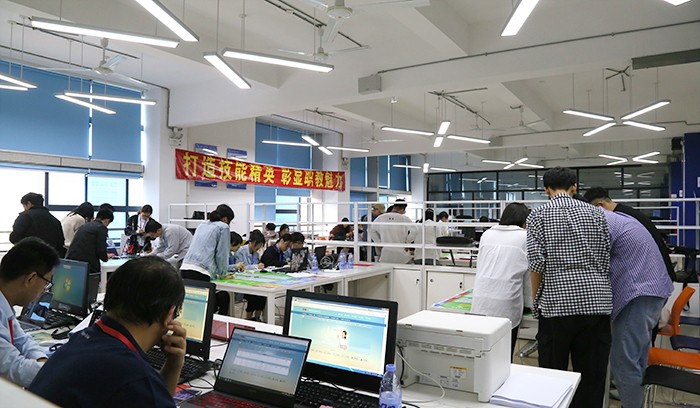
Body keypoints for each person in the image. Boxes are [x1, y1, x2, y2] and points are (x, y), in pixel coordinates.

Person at [28, 257, 186, 408]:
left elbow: (155, 399)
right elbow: (151, 397)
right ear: (168, 314)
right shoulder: (136, 377)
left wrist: (174, 365)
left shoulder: (81, 340)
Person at [526, 167, 611, 408]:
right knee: (592, 374)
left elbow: (536, 263)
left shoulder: (538, 215)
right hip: (597, 301)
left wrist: (536, 300)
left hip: (557, 303)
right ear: (574, 186)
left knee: (553, 374)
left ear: (546, 190)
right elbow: (606, 255)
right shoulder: (596, 214)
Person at [598, 207, 674, 408]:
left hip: (638, 294)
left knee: (623, 362)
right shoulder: (618, 219)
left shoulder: (602, 222)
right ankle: (635, 401)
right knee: (637, 358)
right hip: (651, 290)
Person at [471, 203, 530, 359]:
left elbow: (481, 265)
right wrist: (531, 304)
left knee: (482, 353)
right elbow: (528, 276)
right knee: (503, 357)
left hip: (481, 298)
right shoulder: (525, 237)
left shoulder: (487, 234)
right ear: (524, 220)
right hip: (506, 302)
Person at [0, 237, 59, 387]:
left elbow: (22, 340)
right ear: (31, 279)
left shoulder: (5, 304)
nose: (45, 289)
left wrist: (41, 360)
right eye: (47, 282)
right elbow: (13, 368)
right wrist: (56, 371)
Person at [584, 187, 676, 283]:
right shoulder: (628, 213)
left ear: (600, 205)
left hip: (653, 275)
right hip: (658, 271)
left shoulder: (619, 219)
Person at [180, 204, 233, 315]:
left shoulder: (202, 224)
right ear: (225, 219)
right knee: (204, 310)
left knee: (190, 307)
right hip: (201, 271)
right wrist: (223, 273)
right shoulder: (223, 227)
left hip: (185, 268)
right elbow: (222, 253)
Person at [65, 209, 114, 274]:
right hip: (87, 265)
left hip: (71, 261)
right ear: (107, 220)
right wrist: (105, 257)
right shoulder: (101, 228)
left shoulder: (85, 226)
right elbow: (101, 250)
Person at [232, 230, 266, 321]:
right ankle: (249, 319)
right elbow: (240, 268)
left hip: (253, 280)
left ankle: (257, 318)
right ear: (251, 242)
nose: (259, 247)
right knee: (253, 295)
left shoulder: (256, 254)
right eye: (258, 244)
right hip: (242, 282)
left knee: (263, 294)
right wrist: (256, 267)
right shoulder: (240, 251)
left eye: (261, 245)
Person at [371, 199, 417, 264]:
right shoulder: (405, 218)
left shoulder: (380, 218)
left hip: (386, 255)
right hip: (401, 255)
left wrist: (378, 243)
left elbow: (371, 230)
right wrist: (407, 243)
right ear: (402, 209)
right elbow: (415, 230)